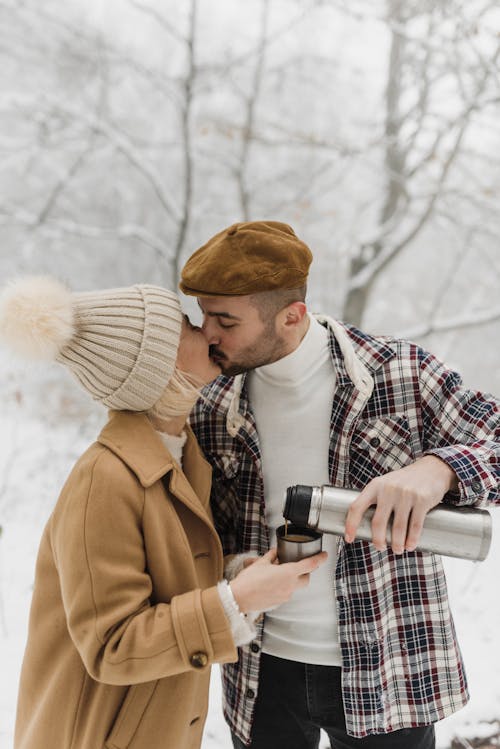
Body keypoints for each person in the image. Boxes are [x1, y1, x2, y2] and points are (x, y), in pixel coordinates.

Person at [179, 220, 500, 749]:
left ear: (291, 315)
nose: (208, 332)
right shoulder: (213, 404)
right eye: (203, 315)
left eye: (225, 319)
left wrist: (438, 469)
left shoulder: (402, 373)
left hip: (390, 668)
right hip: (262, 675)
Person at [0, 276, 327, 749]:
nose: (206, 333)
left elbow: (163, 584)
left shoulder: (182, 452)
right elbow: (113, 646)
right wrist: (235, 601)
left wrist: (237, 577)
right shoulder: (104, 479)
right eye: (186, 328)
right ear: (158, 367)